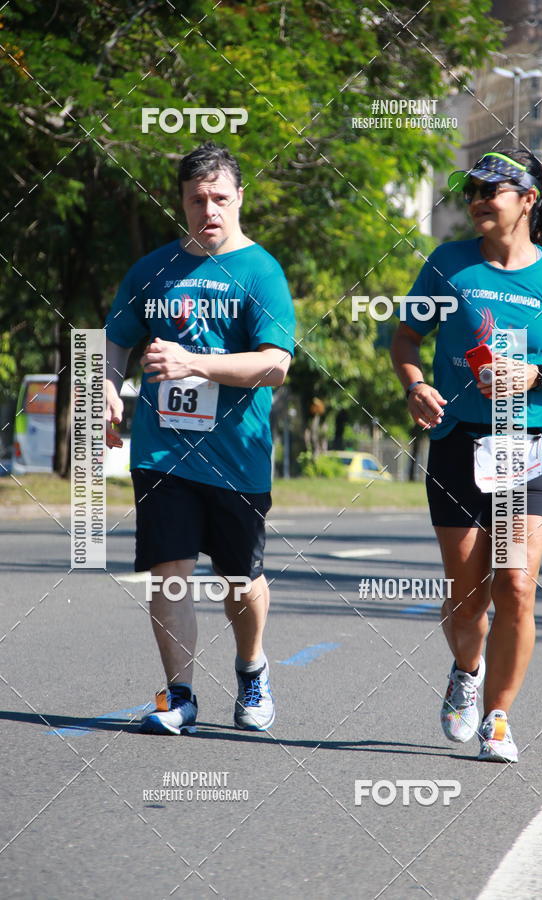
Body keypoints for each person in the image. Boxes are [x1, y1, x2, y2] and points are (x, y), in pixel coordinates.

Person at [391, 149, 542, 762]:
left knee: (514, 583)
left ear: (527, 199)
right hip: (458, 443)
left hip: (526, 443)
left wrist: (535, 376)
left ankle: (499, 717)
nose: (478, 199)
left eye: (493, 189)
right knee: (467, 593)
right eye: (472, 190)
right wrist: (415, 385)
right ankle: (466, 668)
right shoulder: (448, 265)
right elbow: (406, 336)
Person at [104, 141, 295, 735]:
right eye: (196, 200)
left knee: (240, 580)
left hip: (237, 456)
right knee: (170, 570)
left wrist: (195, 364)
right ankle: (180, 696)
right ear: (181, 203)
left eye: (219, 198)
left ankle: (251, 666)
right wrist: (107, 385)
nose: (208, 209)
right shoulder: (152, 269)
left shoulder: (261, 271)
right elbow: (113, 339)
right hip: (162, 450)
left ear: (239, 198)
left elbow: (276, 364)